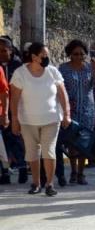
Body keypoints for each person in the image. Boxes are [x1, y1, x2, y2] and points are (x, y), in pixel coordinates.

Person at [9, 42, 71, 196]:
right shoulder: (20, 73)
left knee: (49, 151)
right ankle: (36, 183)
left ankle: (50, 184)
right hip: (28, 121)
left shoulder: (53, 72)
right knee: (32, 153)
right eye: (43, 55)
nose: (46, 58)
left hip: (51, 119)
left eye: (47, 55)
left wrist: (67, 114)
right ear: (34, 57)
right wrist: (15, 120)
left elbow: (62, 95)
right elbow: (15, 99)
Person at [58, 39, 95, 185]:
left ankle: (82, 173)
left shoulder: (90, 68)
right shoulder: (63, 69)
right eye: (75, 54)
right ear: (70, 54)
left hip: (87, 111)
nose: (79, 57)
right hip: (71, 110)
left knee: (84, 142)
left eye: (82, 54)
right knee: (72, 143)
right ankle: (73, 171)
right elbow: (59, 88)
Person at [0, 37, 26, 184]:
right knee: (2, 143)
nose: (1, 54)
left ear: (10, 50)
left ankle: (22, 168)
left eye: (4, 50)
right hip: (2, 109)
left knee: (16, 140)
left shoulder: (18, 66)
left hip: (16, 109)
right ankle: (5, 173)